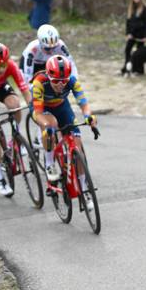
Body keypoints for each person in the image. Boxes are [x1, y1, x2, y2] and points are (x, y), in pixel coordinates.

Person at [31, 55, 97, 208]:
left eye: (64, 81)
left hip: (61, 106)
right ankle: (49, 163)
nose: (60, 85)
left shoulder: (72, 81)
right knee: (51, 125)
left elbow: (84, 104)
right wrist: (46, 126)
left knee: (77, 146)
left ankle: (84, 189)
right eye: (55, 81)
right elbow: (39, 113)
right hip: (42, 108)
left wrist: (89, 117)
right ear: (49, 76)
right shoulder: (39, 82)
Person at [0, 43, 33, 196]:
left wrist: (32, 105)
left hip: (0, 87)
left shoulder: (11, 66)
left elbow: (24, 89)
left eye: (3, 65)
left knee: (16, 104)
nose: (1, 69)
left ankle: (15, 138)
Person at [121, 0, 146, 75]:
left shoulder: (145, 9)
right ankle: (126, 68)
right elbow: (128, 22)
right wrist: (128, 33)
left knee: (139, 53)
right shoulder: (131, 8)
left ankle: (139, 70)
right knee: (127, 50)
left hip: (141, 35)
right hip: (132, 34)